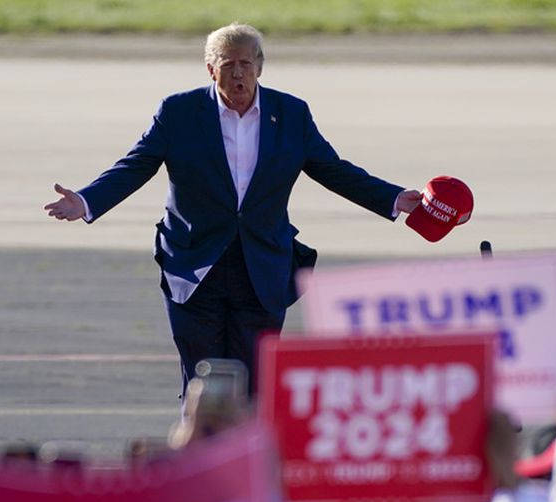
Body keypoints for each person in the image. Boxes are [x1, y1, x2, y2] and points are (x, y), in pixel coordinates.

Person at [45, 22, 422, 396]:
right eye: (228, 64)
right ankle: (201, 453)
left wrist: (392, 197)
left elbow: (333, 170)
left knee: (255, 385)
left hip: (261, 266)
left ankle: (248, 455)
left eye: (246, 63)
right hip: (195, 267)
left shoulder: (290, 113)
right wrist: (86, 200)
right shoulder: (179, 112)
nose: (238, 73)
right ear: (211, 69)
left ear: (260, 66)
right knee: (202, 386)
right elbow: (136, 165)